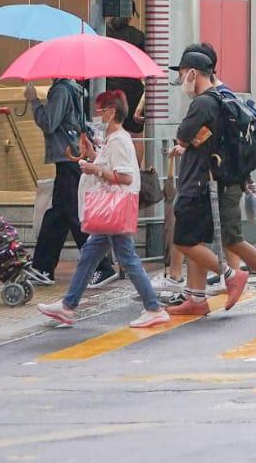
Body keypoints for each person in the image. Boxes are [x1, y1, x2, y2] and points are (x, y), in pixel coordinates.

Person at [38, 90, 167, 330]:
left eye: (101, 110)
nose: (98, 115)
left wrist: (93, 169)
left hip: (113, 209)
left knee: (127, 258)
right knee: (89, 256)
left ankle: (153, 307)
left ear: (111, 112)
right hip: (110, 210)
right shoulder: (115, 138)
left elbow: (125, 176)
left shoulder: (118, 139)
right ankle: (68, 306)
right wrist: (91, 156)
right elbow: (110, 164)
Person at [188, 43, 256, 313]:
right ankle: (195, 296)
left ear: (198, 71)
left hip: (224, 183)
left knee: (233, 239)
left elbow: (208, 140)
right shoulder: (225, 96)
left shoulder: (216, 100)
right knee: (197, 237)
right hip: (226, 180)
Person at [165, 48, 249, 318]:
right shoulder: (218, 99)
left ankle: (230, 275)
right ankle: (197, 298)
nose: (180, 81)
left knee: (184, 241)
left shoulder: (202, 103)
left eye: (181, 74)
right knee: (196, 241)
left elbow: (183, 138)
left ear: (192, 73)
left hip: (197, 181)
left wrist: (187, 140)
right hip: (207, 179)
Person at [25, 73, 92, 282]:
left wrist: (34, 101)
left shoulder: (62, 90)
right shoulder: (74, 89)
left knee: (70, 215)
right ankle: (43, 268)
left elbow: (49, 123)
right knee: (58, 217)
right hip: (70, 156)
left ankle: (99, 266)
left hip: (66, 158)